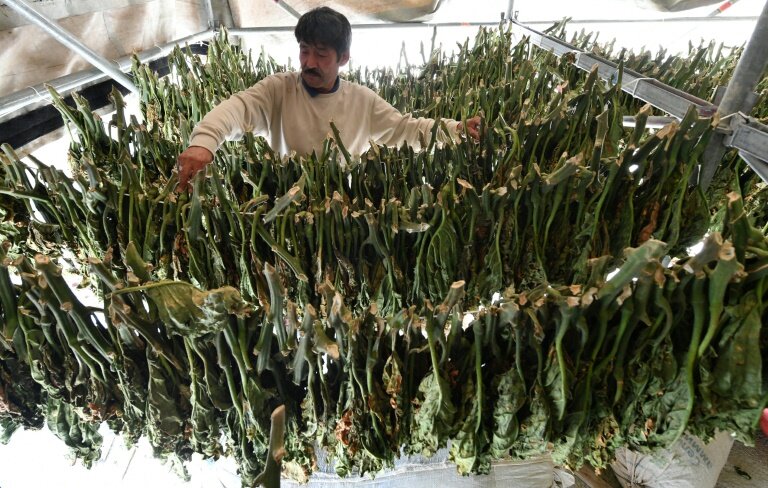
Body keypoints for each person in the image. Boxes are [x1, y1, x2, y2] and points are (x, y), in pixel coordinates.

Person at [176, 6, 481, 190]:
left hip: (340, 210)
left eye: (321, 54)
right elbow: (237, 108)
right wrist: (204, 142)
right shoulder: (278, 90)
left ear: (343, 58)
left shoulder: (362, 101)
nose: (309, 62)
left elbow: (407, 130)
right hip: (284, 202)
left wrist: (454, 131)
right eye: (305, 50)